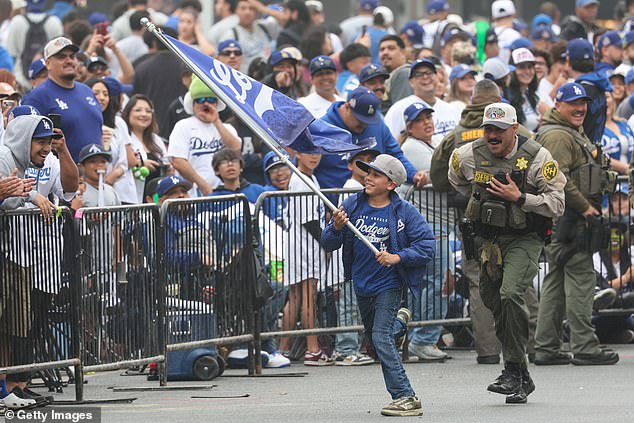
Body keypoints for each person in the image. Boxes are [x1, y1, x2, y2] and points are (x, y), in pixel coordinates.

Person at [448, 102, 565, 403]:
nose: (492, 135)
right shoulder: (466, 155)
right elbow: (456, 180)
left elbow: (558, 204)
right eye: (488, 129)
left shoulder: (538, 158)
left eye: (499, 130)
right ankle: (521, 375)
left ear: (514, 129)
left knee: (511, 293)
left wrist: (520, 197)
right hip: (488, 240)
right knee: (494, 303)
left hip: (524, 238)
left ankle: (511, 369)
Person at [431, 79, 536, 365]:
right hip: (515, 217)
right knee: (520, 278)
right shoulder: (520, 131)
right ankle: (534, 343)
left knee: (479, 281)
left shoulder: (457, 134)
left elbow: (439, 178)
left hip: (475, 217)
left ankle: (488, 350)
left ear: (472, 100)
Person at [322, 154, 435, 416]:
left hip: (389, 283)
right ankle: (401, 323)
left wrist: (398, 257)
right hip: (361, 283)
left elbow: (427, 245)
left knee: (381, 338)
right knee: (376, 340)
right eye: (367, 173)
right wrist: (336, 228)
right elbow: (328, 242)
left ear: (392, 184)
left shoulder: (404, 211)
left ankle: (406, 396)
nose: (368, 178)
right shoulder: (352, 204)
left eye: (375, 175)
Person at [534, 82, 620, 367]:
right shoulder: (558, 135)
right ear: (558, 105)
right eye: (573, 103)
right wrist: (586, 209)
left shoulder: (569, 131)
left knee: (556, 282)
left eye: (582, 103)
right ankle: (585, 346)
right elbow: (558, 179)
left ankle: (546, 346)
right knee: (581, 280)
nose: (580, 108)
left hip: (567, 218)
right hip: (571, 218)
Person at [277, 150, 331, 366]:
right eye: (309, 152)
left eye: (317, 152)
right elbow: (309, 222)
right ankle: (312, 349)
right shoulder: (301, 180)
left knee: (297, 297)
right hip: (305, 244)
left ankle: (283, 350)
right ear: (298, 154)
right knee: (307, 296)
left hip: (299, 243)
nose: (314, 157)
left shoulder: (308, 177)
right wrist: (326, 243)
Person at [315, 87, 425, 190]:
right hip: (333, 204)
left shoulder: (378, 125)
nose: (365, 124)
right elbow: (304, 166)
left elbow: (395, 155)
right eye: (360, 120)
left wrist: (413, 175)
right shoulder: (322, 129)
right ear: (347, 107)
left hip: (372, 203)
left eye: (369, 121)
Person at [22, 36, 103, 162]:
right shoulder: (38, 96)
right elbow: (26, 143)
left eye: (72, 56)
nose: (69, 60)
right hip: (61, 176)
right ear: (48, 63)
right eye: (61, 57)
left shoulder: (87, 90)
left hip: (97, 173)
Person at [168, 75, 241, 197]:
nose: (206, 104)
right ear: (192, 103)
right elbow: (178, 161)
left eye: (211, 100)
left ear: (218, 103)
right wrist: (202, 184)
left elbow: (236, 148)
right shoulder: (183, 126)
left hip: (225, 193)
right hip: (194, 194)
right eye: (201, 100)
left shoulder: (226, 128)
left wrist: (216, 121)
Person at [384, 58, 461, 146]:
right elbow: (388, 143)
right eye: (419, 74)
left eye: (429, 73)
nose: (425, 77)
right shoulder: (399, 109)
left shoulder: (450, 109)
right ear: (411, 82)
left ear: (437, 77)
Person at [87, 77, 137, 204]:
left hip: (123, 193)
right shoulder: (82, 124)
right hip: (93, 195)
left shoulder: (118, 122)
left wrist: (110, 179)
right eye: (96, 93)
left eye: (106, 94)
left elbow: (125, 161)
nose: (102, 97)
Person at [132, 26, 185, 139]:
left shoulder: (142, 67)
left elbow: (135, 98)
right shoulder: (186, 67)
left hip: (152, 127)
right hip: (182, 125)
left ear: (155, 43)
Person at [122, 94, 170, 203]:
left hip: (157, 199)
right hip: (133, 198)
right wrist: (140, 164)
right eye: (138, 110)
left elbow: (167, 162)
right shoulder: (124, 138)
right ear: (127, 113)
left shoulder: (156, 140)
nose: (144, 114)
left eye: (148, 111)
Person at [5, 0, 63, 90]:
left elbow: (11, 56)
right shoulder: (55, 22)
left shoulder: (16, 22)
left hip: (20, 82)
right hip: (50, 82)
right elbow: (60, 53)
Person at [565, 38, 611, 145]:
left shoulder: (578, 90)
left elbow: (568, 127)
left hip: (582, 153)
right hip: (595, 150)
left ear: (568, 61)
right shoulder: (599, 85)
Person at [219, 0, 279, 73]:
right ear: (236, 11)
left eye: (251, 8)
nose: (247, 12)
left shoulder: (265, 27)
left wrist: (262, 8)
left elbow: (287, 20)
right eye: (243, 8)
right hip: (245, 79)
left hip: (266, 77)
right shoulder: (231, 35)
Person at [507, 48, 544, 133]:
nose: (527, 71)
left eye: (530, 67)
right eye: (522, 67)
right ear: (512, 70)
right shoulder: (507, 97)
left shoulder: (532, 95)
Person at [602, 92, 634, 174]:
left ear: (613, 100)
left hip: (630, 180)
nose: (604, 101)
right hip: (609, 180)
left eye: (607, 97)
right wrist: (627, 168)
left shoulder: (624, 124)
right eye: (601, 98)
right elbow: (598, 157)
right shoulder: (593, 130)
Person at [378, 35, 411, 111]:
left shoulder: (404, 73)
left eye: (391, 48)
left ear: (403, 52)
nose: (385, 52)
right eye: (382, 49)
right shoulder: (386, 76)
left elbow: (402, 111)